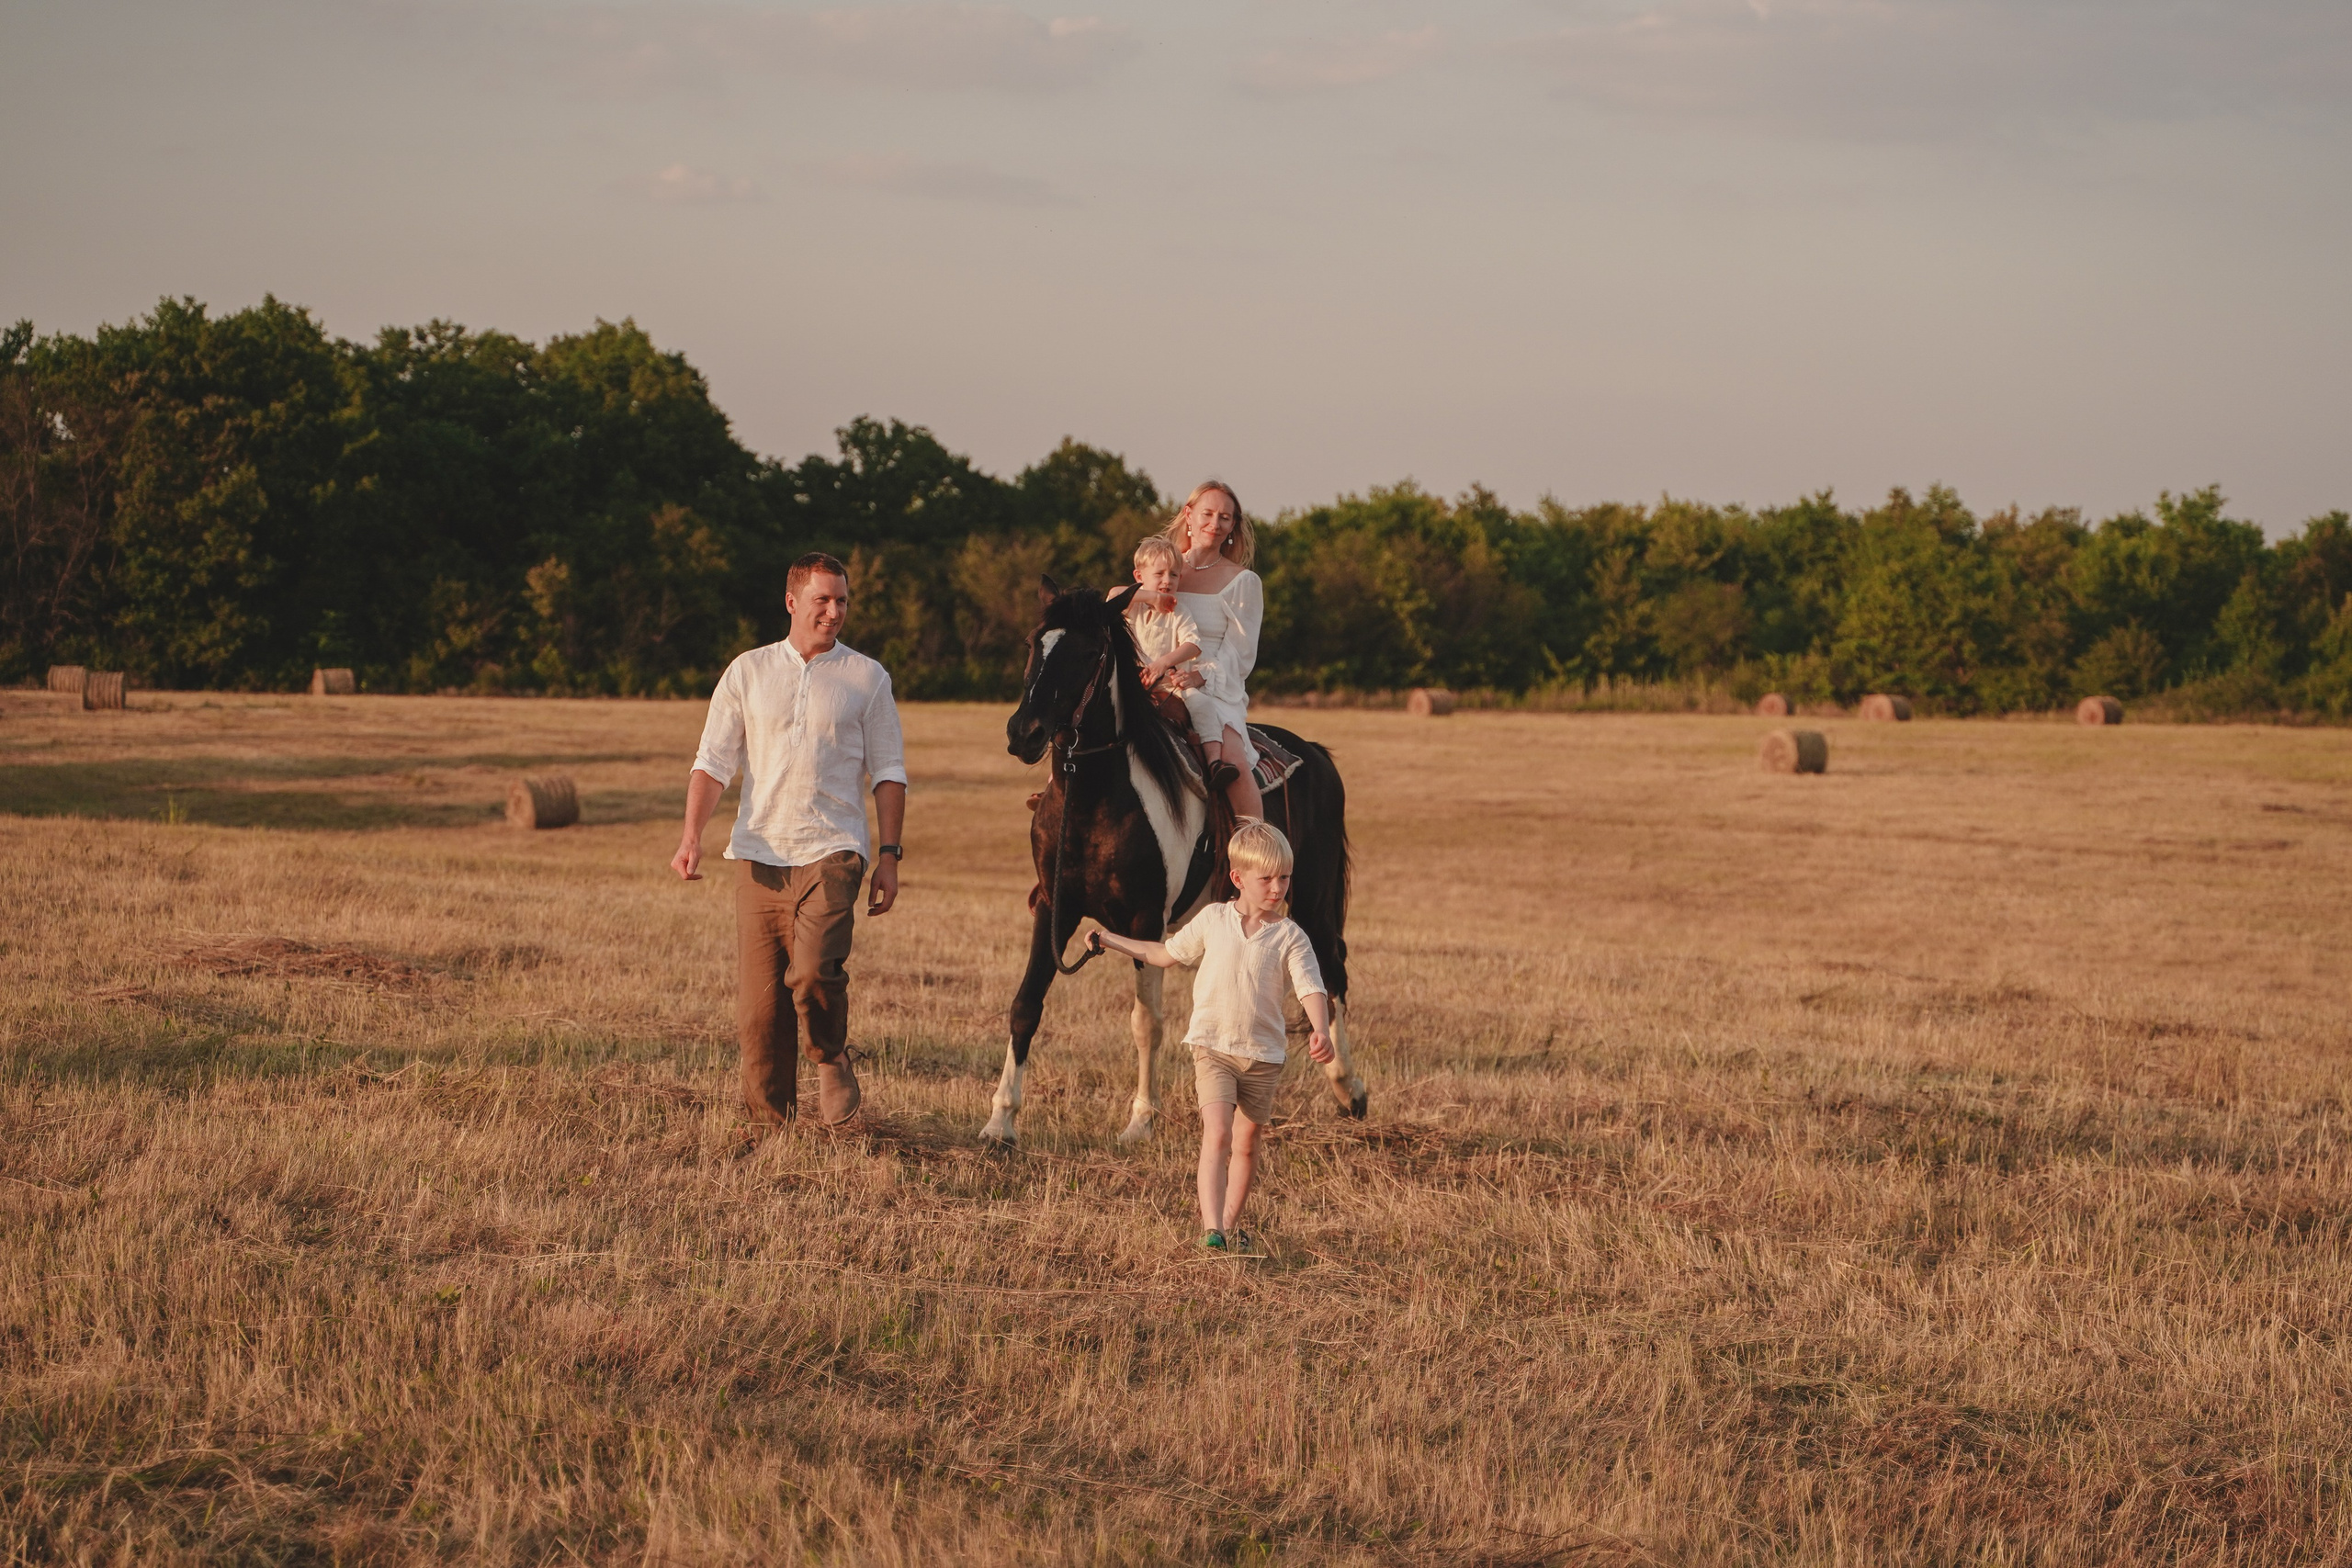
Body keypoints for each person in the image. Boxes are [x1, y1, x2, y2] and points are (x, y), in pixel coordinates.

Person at [671, 552, 907, 1128]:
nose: (834, 611)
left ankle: (828, 1055)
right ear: (792, 602)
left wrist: (890, 856)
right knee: (759, 1015)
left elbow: (889, 771)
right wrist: (691, 836)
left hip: (833, 850)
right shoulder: (747, 672)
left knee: (813, 971)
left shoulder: (867, 678)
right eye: (823, 600)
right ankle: (770, 1133)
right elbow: (713, 762)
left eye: (842, 600)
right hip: (757, 855)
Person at [1088, 821, 1334, 1253]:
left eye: (1285, 878)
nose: (1278, 888)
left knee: (1246, 1144)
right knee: (1217, 1133)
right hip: (1213, 1047)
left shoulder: (1291, 936)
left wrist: (1319, 1028)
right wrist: (1109, 939)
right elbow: (1163, 954)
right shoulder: (1213, 919)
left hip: (1263, 1056)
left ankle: (1230, 1225)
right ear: (1238, 879)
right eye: (1267, 879)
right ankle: (1212, 1230)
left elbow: (1309, 985)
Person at [1166, 480, 1264, 819]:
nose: (1215, 523)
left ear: (1233, 526)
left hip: (1213, 685)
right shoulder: (1163, 569)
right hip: (1157, 673)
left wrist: (1198, 677)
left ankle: (1256, 850)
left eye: (1225, 517)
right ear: (1188, 516)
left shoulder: (1242, 582)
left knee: (1233, 763)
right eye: (1207, 514)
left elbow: (1240, 653)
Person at [1124, 535, 1204, 700]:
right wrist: (1153, 598)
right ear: (1139, 577)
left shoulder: (1179, 610)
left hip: (1170, 686)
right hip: (1130, 682)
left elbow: (1193, 645)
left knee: (1201, 704)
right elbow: (1114, 594)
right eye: (1159, 574)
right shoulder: (1133, 606)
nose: (1167, 580)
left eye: (1173, 575)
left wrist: (1163, 663)